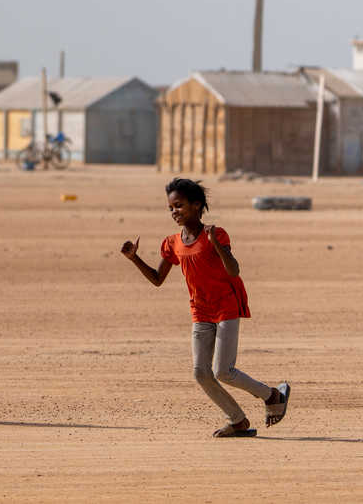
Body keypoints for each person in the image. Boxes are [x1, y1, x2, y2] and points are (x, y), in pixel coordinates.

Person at [120, 178, 290, 437]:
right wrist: (135, 259)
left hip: (226, 307)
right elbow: (157, 279)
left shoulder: (216, 234)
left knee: (224, 371)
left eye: (179, 206)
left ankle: (272, 395)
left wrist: (217, 246)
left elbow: (234, 270)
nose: (174, 211)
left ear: (197, 205)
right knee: (201, 373)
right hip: (200, 311)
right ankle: (237, 421)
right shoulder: (172, 243)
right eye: (170, 208)